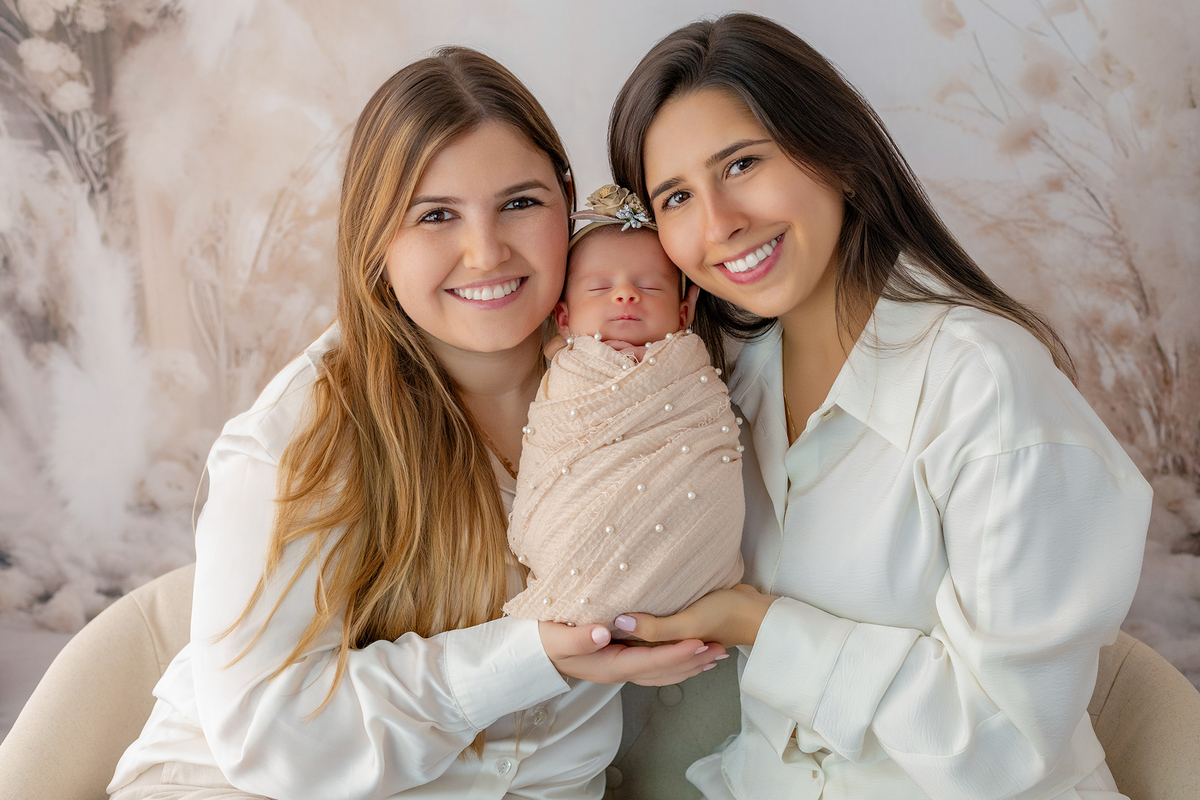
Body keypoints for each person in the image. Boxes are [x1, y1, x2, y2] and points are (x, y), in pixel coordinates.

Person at [106, 48, 725, 800]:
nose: (485, 250)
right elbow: (270, 734)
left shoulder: (648, 370)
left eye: (521, 203)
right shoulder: (297, 437)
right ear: (376, 239)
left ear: (568, 200)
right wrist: (532, 657)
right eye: (436, 215)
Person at [606, 13, 1152, 800]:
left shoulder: (986, 386)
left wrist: (756, 624)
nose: (719, 223)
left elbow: (1000, 741)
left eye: (743, 164)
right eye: (677, 196)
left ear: (843, 160)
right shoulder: (726, 393)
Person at [503, 183, 744, 629]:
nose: (626, 295)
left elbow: (709, 440)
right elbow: (555, 446)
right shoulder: (569, 372)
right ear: (564, 318)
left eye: (650, 287)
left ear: (683, 314)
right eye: (598, 288)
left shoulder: (691, 371)